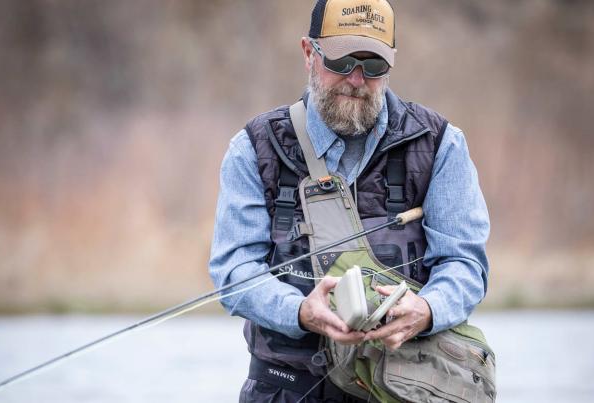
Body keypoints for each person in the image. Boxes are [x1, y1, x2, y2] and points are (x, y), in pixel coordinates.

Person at [209, 0, 490, 401]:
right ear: (309, 53)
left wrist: (426, 310)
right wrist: (299, 312)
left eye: (373, 66)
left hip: (404, 386)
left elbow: (465, 264)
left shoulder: (442, 145)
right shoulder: (253, 148)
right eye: (341, 62)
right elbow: (233, 270)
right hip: (286, 386)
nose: (356, 79)